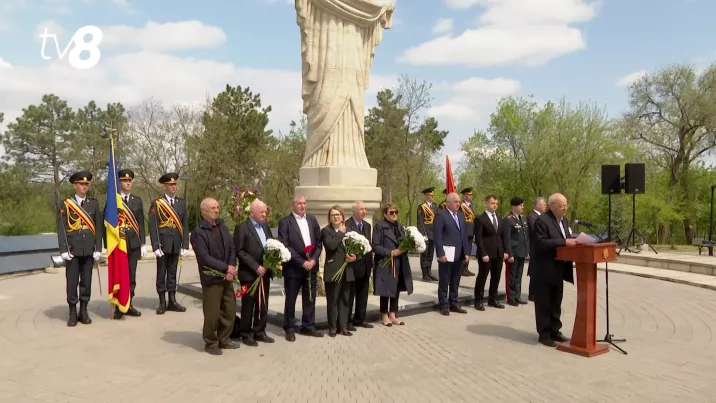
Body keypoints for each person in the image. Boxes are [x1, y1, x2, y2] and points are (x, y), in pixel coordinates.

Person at [190, 198, 240, 355]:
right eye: (213, 208)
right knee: (212, 313)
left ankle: (224, 339)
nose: (216, 210)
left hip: (226, 277)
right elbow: (204, 257)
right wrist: (225, 268)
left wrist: (231, 267)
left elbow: (231, 247)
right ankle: (211, 342)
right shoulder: (198, 232)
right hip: (211, 279)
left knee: (229, 309)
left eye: (217, 207)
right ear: (203, 211)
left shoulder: (222, 226)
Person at [57, 171, 102, 327]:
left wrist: (98, 247)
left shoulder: (93, 203)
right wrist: (63, 249)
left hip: (89, 249)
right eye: (81, 184)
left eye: (86, 184)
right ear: (75, 185)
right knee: (72, 281)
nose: (84, 186)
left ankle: (83, 310)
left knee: (86, 281)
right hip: (73, 249)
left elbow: (98, 227)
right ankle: (72, 312)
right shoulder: (66, 203)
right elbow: (61, 228)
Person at [532, 193, 576, 347]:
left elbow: (567, 238)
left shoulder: (564, 220)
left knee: (556, 302)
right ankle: (544, 334)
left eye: (566, 205)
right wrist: (564, 242)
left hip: (559, 269)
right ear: (552, 206)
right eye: (562, 206)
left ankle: (555, 331)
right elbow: (541, 243)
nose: (565, 208)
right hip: (544, 270)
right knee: (544, 303)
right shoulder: (542, 221)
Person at [278, 195, 324, 341]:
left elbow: (319, 242)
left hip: (311, 266)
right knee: (291, 299)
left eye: (304, 203)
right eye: (299, 203)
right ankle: (289, 328)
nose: (303, 206)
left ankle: (308, 326)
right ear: (293, 205)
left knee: (310, 297)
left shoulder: (312, 220)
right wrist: (302, 262)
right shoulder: (285, 222)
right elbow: (285, 245)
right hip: (294, 267)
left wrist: (314, 259)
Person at [234, 199, 276, 346]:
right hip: (249, 274)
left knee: (262, 304)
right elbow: (240, 250)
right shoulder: (242, 228)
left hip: (264, 273)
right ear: (252, 212)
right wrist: (255, 266)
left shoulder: (265, 227)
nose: (264, 214)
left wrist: (273, 262)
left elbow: (271, 245)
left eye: (265, 212)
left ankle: (260, 331)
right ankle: (246, 333)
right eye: (261, 212)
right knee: (248, 304)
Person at [148, 172, 189, 314]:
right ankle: (162, 302)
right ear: (164, 186)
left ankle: (172, 300)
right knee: (161, 273)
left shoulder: (181, 203)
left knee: (172, 272)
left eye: (175, 184)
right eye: (171, 184)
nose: (174, 187)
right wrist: (155, 245)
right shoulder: (157, 203)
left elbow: (184, 225)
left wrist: (185, 244)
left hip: (176, 243)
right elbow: (153, 226)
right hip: (163, 244)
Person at [372, 202, 414, 326]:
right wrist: (390, 252)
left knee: (396, 288)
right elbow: (375, 246)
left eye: (396, 212)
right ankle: (384, 315)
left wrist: (406, 247)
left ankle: (393, 314)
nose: (394, 214)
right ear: (385, 214)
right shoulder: (380, 226)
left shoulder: (399, 226)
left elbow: (404, 241)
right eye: (391, 212)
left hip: (400, 261)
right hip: (386, 262)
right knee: (386, 289)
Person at [111, 169, 145, 319]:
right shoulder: (114, 201)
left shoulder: (137, 201)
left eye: (130, 180)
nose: (128, 183)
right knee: (119, 276)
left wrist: (142, 243)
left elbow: (141, 223)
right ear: (119, 183)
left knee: (131, 276)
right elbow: (108, 224)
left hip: (133, 244)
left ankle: (129, 304)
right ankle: (119, 307)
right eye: (125, 181)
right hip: (119, 245)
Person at [321, 206, 357, 337]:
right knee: (333, 300)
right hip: (333, 271)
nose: (336, 217)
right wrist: (340, 233)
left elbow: (356, 248)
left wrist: (355, 257)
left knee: (345, 299)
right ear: (329, 218)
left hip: (347, 270)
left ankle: (343, 327)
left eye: (338, 214)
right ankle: (332, 327)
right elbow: (330, 246)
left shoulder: (350, 231)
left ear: (342, 216)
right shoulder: (326, 231)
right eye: (333, 215)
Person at [433, 192, 470, 316]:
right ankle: (443, 304)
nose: (458, 204)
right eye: (455, 202)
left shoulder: (460, 215)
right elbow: (438, 236)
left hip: (459, 253)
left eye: (459, 202)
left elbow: (464, 235)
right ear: (448, 203)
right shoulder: (441, 215)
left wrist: (466, 252)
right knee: (444, 280)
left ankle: (454, 303)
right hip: (447, 254)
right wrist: (440, 253)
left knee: (455, 280)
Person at [474, 195, 510, 310]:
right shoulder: (480, 219)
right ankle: (478, 300)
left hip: (498, 253)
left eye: (496, 204)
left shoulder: (499, 218)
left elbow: (503, 236)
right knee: (482, 277)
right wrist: (483, 253)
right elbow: (478, 238)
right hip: (486, 254)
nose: (495, 205)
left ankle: (492, 299)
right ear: (486, 203)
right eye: (492, 203)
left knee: (496, 277)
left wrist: (506, 250)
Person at [345, 201, 373, 329]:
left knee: (363, 294)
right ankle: (347, 321)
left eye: (365, 209)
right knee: (350, 295)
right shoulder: (347, 225)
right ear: (354, 210)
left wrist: (370, 264)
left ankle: (360, 319)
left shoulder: (367, 226)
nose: (364, 211)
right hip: (353, 266)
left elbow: (369, 246)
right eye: (361, 209)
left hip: (365, 266)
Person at [504, 197, 529, 306]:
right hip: (513, 252)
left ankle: (517, 296)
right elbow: (507, 238)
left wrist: (527, 250)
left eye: (522, 205)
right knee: (511, 276)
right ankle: (511, 297)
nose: (522, 207)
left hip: (522, 251)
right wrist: (509, 253)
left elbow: (526, 236)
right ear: (514, 206)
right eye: (520, 205)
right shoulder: (509, 219)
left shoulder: (523, 218)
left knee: (519, 275)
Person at [527, 197, 547, 301]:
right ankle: (532, 294)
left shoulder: (543, 217)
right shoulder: (532, 217)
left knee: (540, 272)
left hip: (542, 249)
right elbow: (534, 231)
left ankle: (539, 292)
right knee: (535, 271)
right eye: (544, 204)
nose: (545, 206)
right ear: (538, 205)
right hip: (535, 248)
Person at [416, 187, 439, 282]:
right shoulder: (421, 207)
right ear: (426, 195)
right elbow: (420, 222)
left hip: (433, 233)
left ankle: (429, 272)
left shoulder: (435, 207)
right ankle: (424, 274)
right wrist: (422, 234)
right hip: (425, 234)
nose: (432, 196)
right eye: (430, 195)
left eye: (433, 195)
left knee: (430, 254)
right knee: (424, 254)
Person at [459, 187, 477, 277]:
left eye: (471, 194)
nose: (471, 196)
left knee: (469, 250)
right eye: (469, 194)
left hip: (471, 230)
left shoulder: (472, 205)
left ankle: (466, 268)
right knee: (464, 250)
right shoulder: (461, 205)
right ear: (465, 195)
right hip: (464, 230)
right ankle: (461, 269)